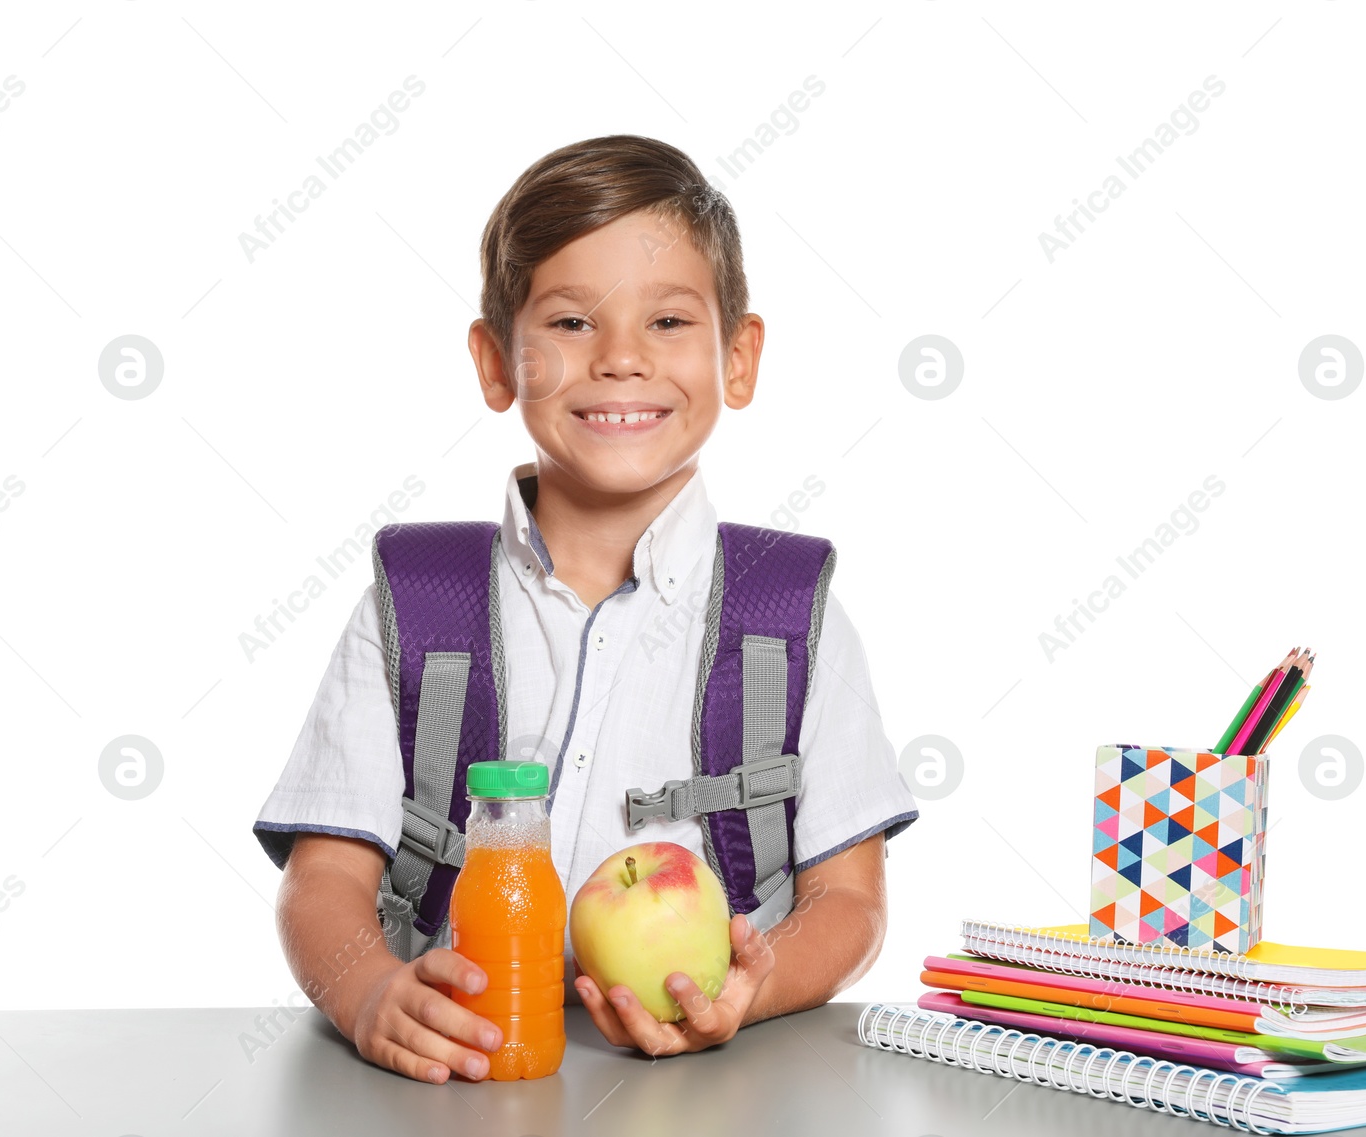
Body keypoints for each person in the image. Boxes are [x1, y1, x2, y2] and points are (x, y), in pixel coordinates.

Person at [252, 134, 918, 1084]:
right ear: (495, 360)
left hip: (718, 1094)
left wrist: (750, 992)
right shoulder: (417, 600)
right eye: (569, 323)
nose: (619, 360)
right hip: (457, 1081)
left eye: (669, 322)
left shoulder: (789, 613)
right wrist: (367, 993)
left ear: (739, 356)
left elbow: (852, 903)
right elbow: (322, 877)